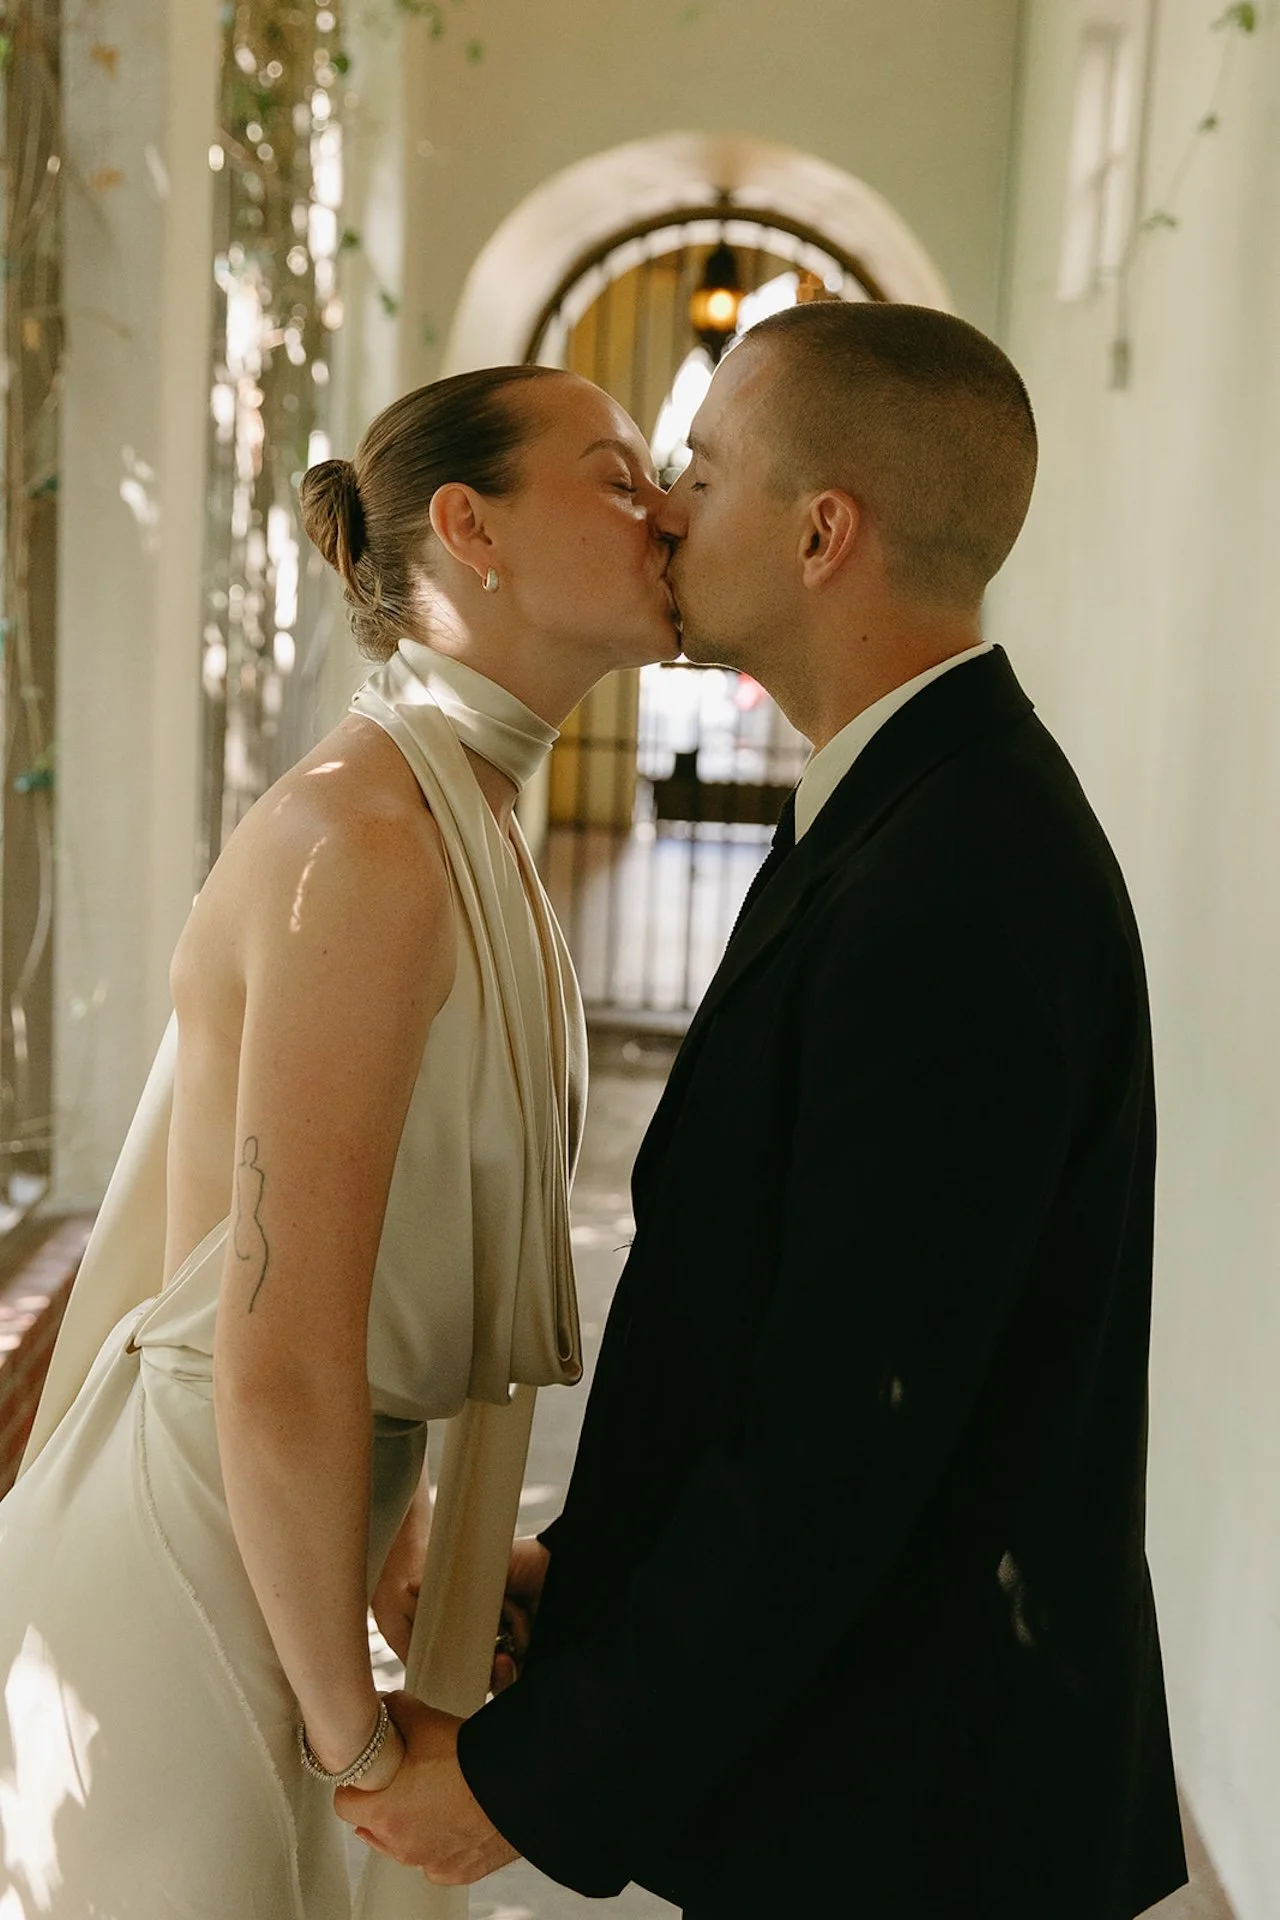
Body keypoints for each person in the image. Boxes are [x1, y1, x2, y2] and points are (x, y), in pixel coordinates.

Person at [345, 304, 1191, 1920]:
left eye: (701, 469)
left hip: (925, 1830)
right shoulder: (904, 802)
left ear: (822, 535)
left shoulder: (961, 880)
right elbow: (769, 1329)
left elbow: (837, 1447)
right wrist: (568, 1588)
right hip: (870, 1787)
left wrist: (527, 1788)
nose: (664, 505)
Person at [0, 364, 678, 1918]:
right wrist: (360, 1754)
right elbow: (273, 1349)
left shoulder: (463, 816)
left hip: (285, 1568)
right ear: (470, 527)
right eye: (616, 472)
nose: (666, 511)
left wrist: (405, 1555)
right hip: (186, 1596)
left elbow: (324, 1295)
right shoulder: (364, 841)